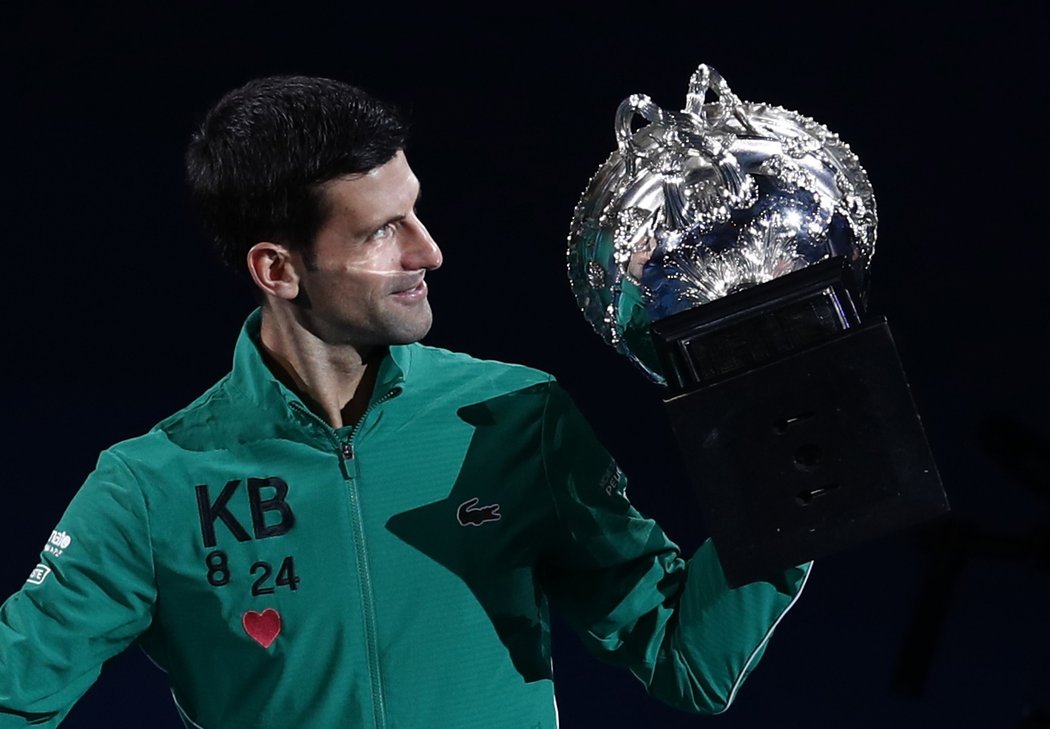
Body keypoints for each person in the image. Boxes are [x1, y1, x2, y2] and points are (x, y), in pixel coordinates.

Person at [0, 76, 809, 728]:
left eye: (415, 209)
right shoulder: (151, 487)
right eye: (383, 231)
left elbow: (686, 660)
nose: (429, 249)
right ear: (278, 269)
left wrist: (791, 462)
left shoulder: (519, 417)